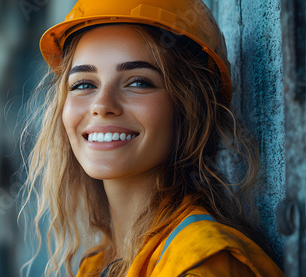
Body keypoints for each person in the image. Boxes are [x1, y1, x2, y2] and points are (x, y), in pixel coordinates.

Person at [21, 0, 283, 276]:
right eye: (83, 84)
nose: (102, 104)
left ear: (190, 107)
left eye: (138, 82)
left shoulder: (200, 264)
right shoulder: (100, 264)